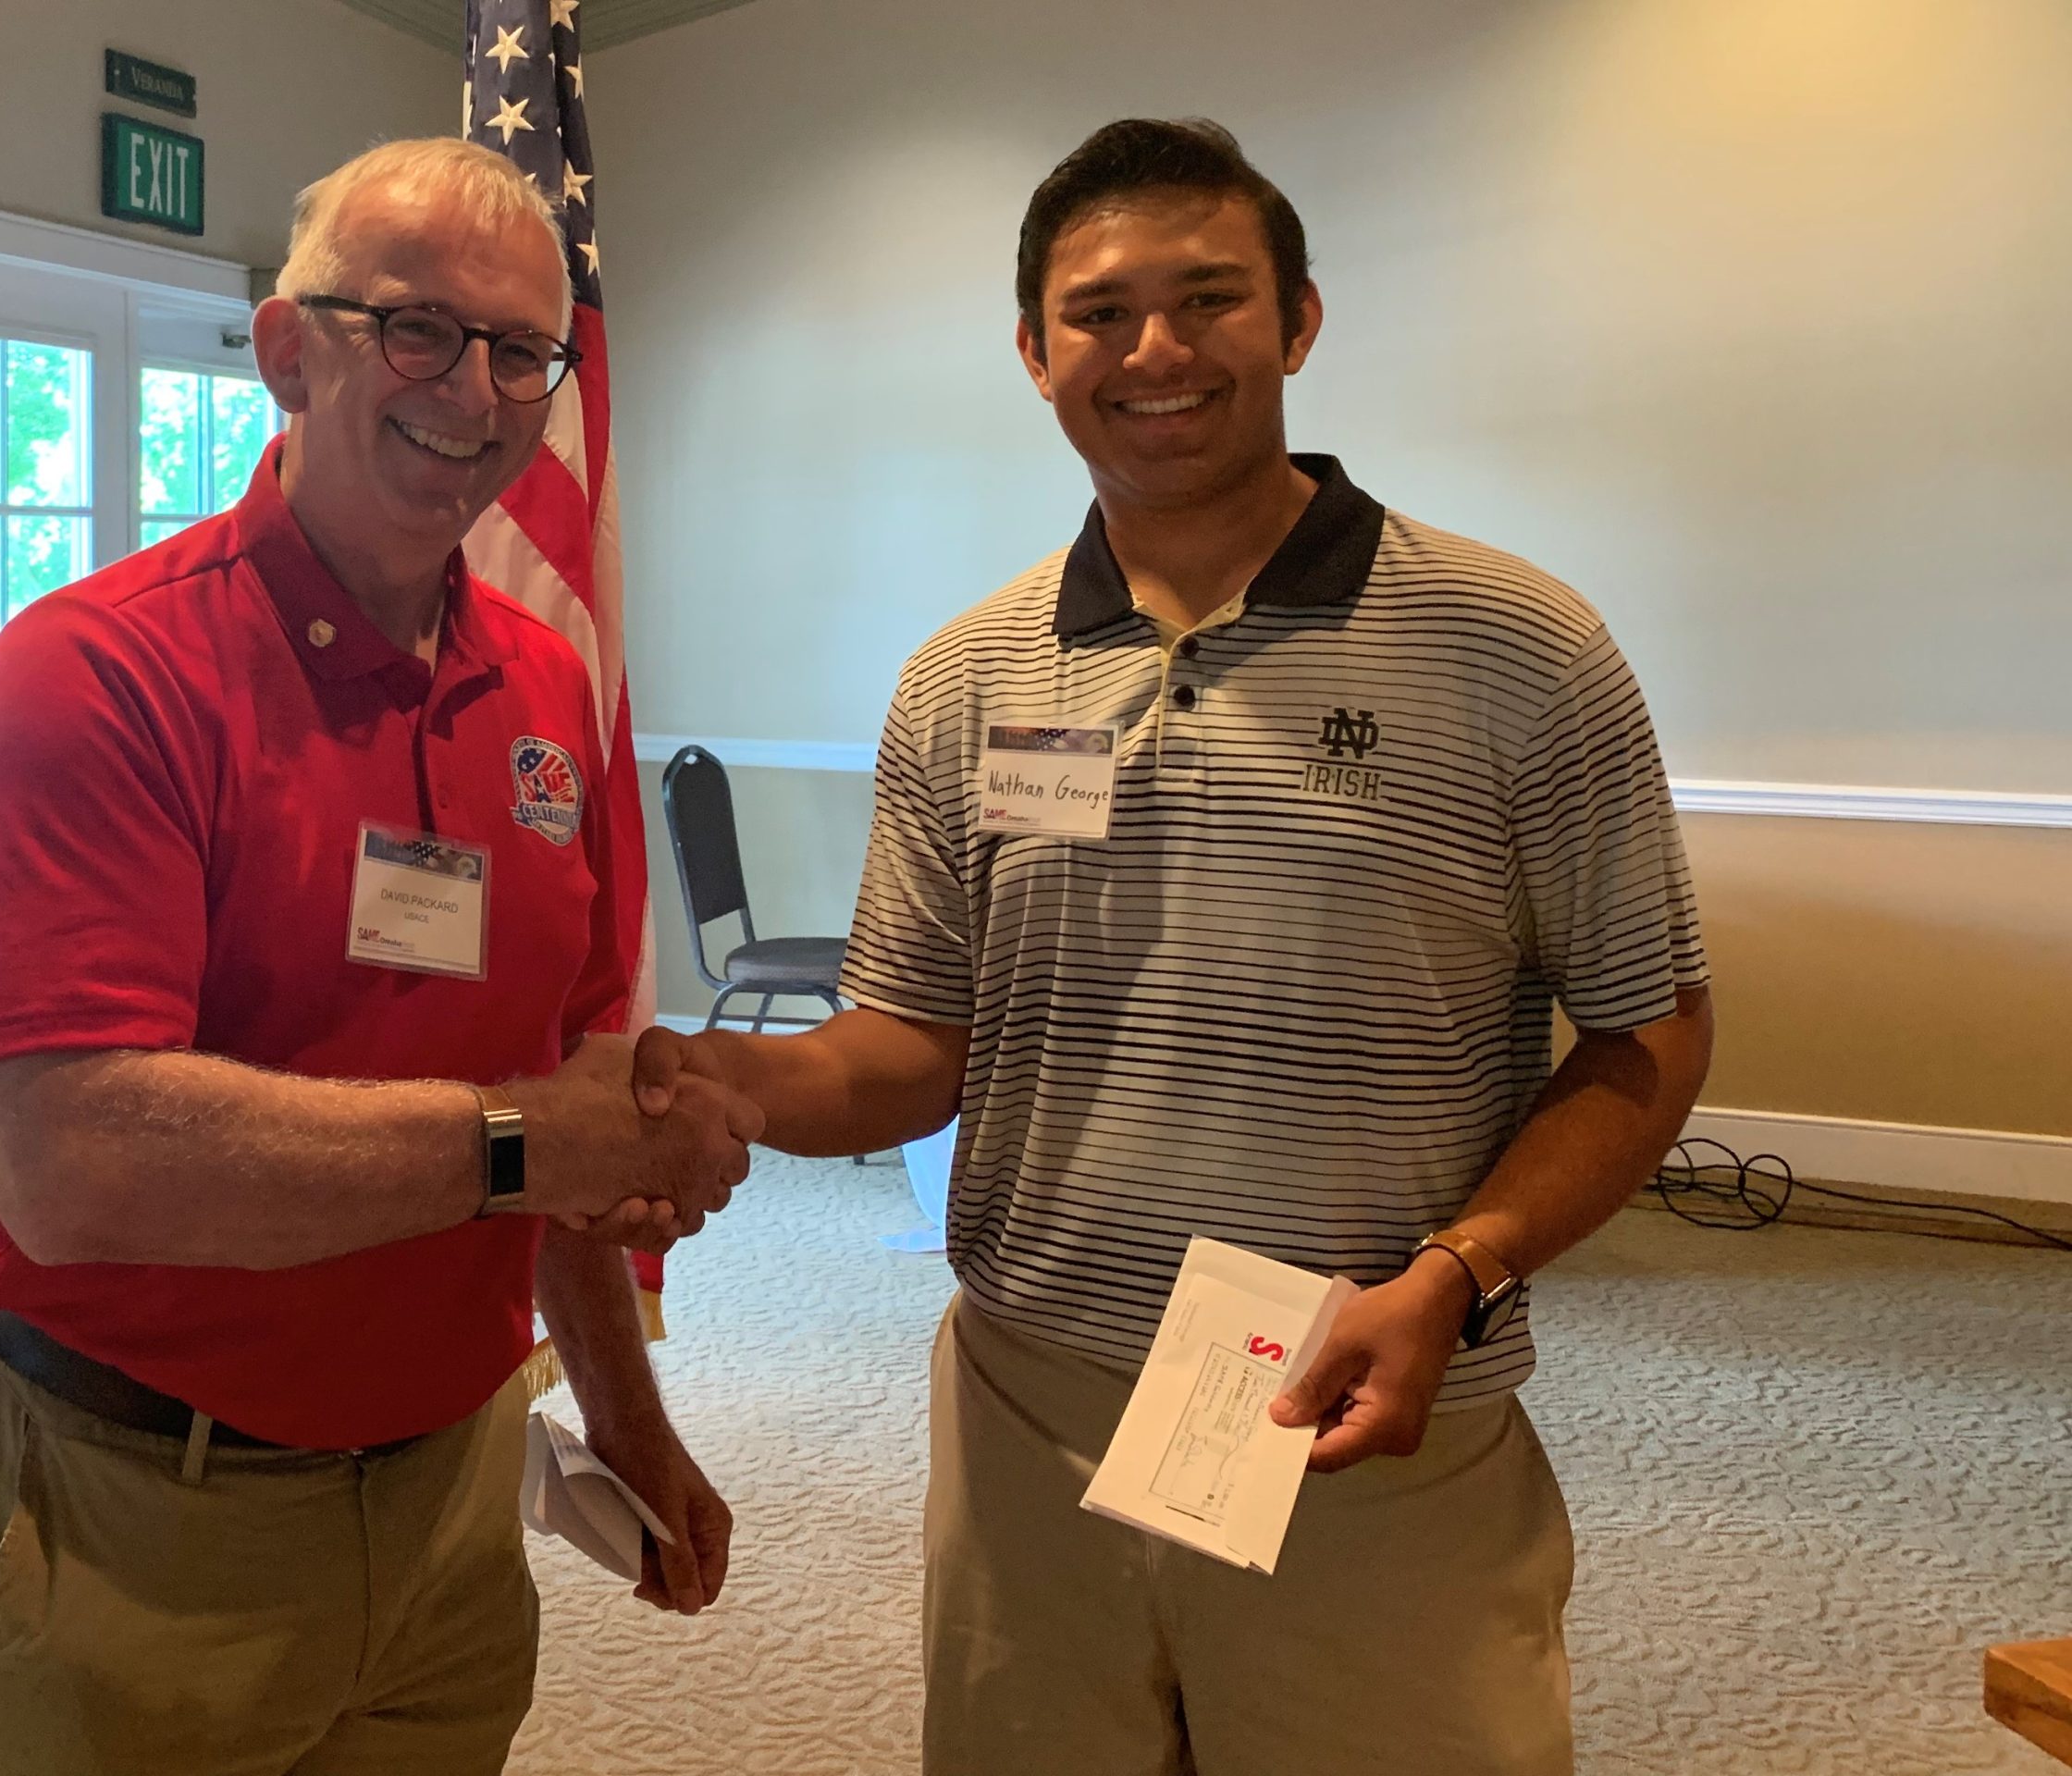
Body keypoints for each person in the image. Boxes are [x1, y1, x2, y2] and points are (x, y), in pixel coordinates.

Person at [633, 117, 1715, 1775]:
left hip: (1358, 1404)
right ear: (1034, 352)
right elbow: (912, 1045)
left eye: (1209, 298)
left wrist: (1462, 1274)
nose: (1155, 350)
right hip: (1030, 1409)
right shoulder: (968, 676)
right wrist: (727, 1082)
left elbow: (1649, 1034)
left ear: (1299, 322)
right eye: (1100, 312)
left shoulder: (1517, 647)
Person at [0, 137, 753, 1776]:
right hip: (140, 1498)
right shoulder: (99, 670)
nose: (477, 391)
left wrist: (626, 1417)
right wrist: (524, 1143)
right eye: (419, 328)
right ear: (291, 352)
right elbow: (73, 1164)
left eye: (523, 350)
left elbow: (568, 1091)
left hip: (453, 1496)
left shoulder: (541, 682)